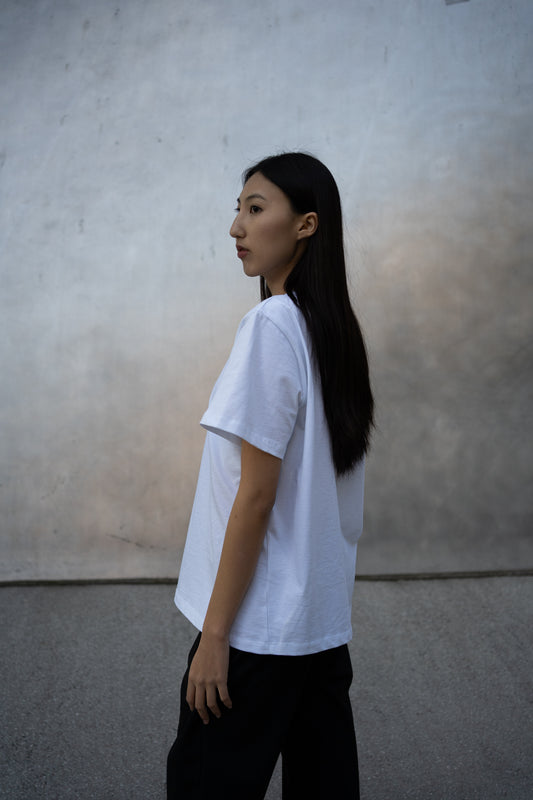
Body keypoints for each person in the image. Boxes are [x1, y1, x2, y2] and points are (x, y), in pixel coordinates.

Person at [167, 152, 374, 800]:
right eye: (238, 210)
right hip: (317, 628)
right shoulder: (331, 330)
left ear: (306, 224)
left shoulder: (272, 326)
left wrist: (215, 638)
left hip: (256, 631)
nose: (237, 227)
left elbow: (256, 496)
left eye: (255, 209)